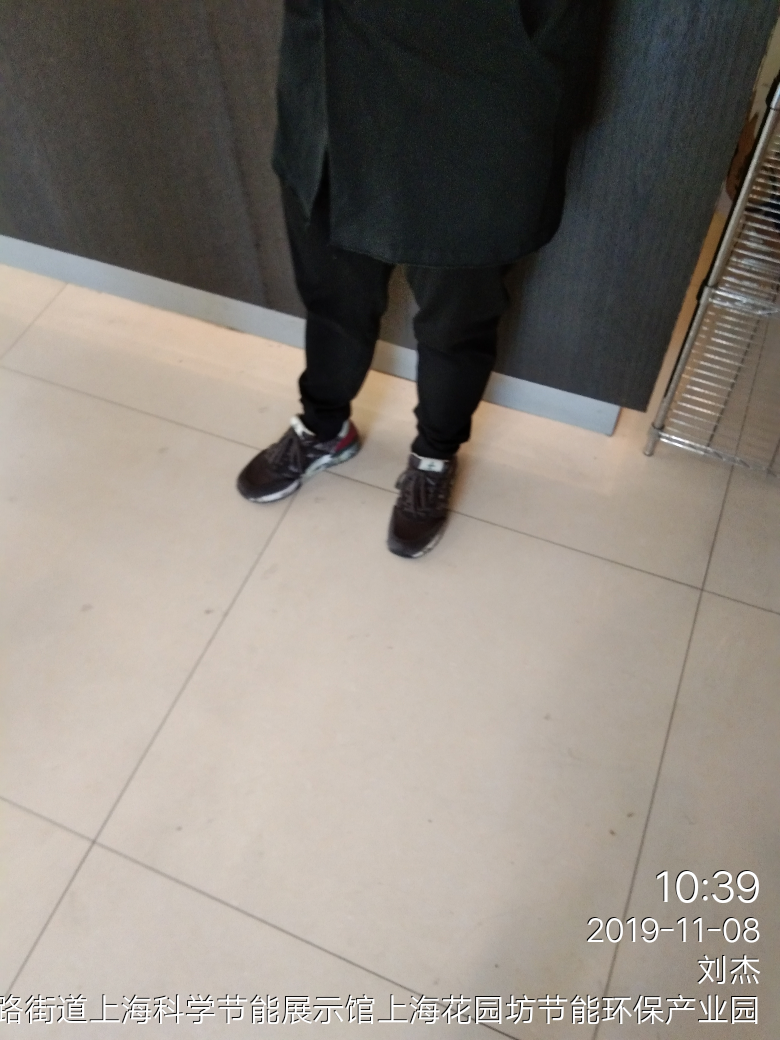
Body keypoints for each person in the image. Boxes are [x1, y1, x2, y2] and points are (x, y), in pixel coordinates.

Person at [237, 0, 599, 557]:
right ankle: (324, 427)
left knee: (456, 323)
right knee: (333, 297)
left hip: (477, 94)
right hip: (332, 83)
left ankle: (434, 455)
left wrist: (537, 88)